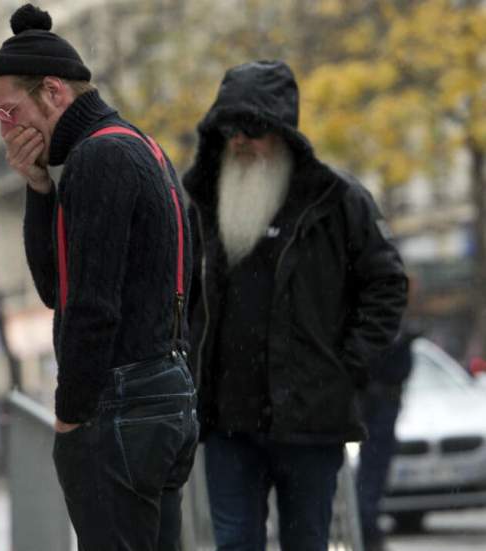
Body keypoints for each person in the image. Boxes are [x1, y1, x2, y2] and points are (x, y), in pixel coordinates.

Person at [0, 4, 197, 550]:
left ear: (53, 92)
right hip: (166, 393)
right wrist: (38, 190)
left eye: (8, 111)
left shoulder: (97, 159)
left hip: (121, 402)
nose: (5, 128)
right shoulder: (137, 145)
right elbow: (64, 285)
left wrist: (70, 415)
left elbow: (85, 303)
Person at [182, 60, 408, 551]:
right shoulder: (199, 204)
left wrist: (346, 367)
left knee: (306, 542)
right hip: (226, 423)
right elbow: (178, 296)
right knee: (234, 543)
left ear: (284, 133)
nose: (240, 140)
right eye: (230, 129)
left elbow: (387, 285)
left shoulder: (338, 200)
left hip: (310, 422)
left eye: (255, 128)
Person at [356, 320, 421, 550]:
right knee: (371, 475)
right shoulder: (381, 324)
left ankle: (367, 527)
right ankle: (367, 529)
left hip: (377, 404)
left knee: (372, 474)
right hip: (375, 405)